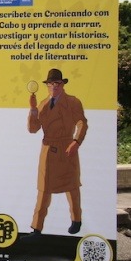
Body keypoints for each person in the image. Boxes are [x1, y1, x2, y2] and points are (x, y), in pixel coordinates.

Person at [26, 68, 87, 236]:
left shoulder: (73, 102)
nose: (54, 87)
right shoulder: (43, 104)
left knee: (72, 187)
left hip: (67, 148)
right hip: (48, 151)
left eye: (57, 83)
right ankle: (37, 228)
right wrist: (33, 109)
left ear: (62, 84)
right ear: (47, 86)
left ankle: (76, 220)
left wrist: (76, 141)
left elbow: (82, 122)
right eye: (51, 84)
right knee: (43, 190)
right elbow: (33, 129)